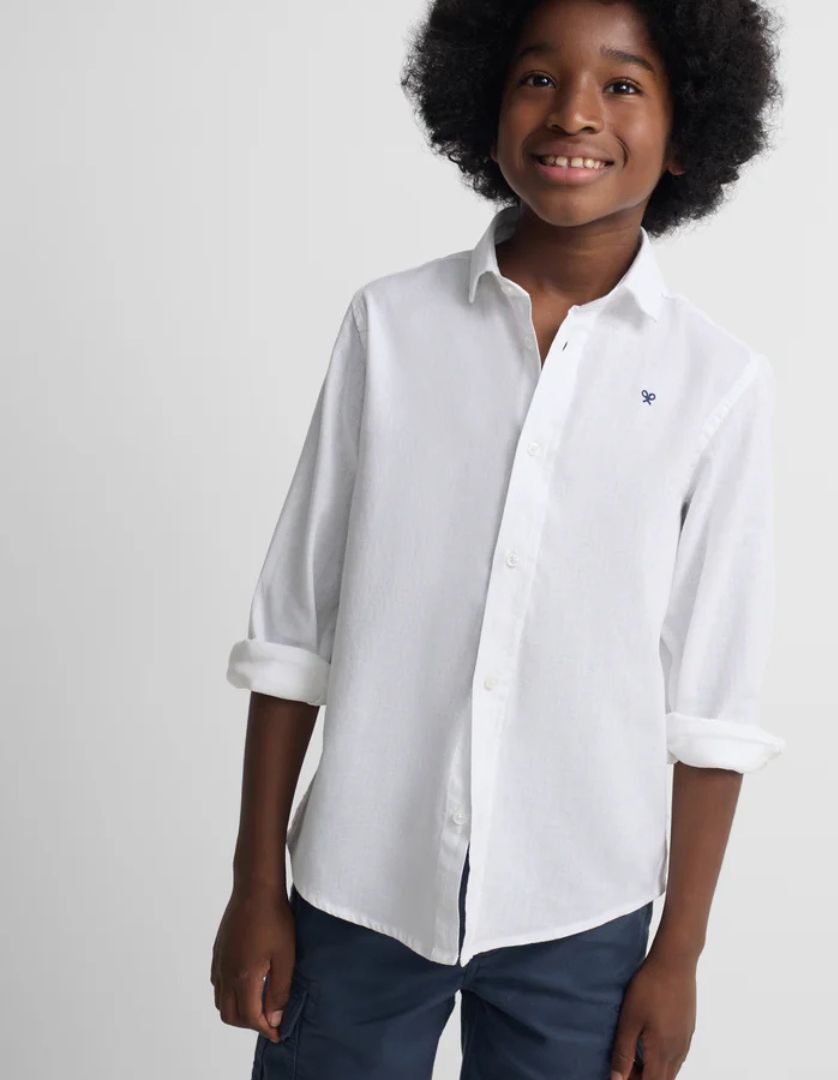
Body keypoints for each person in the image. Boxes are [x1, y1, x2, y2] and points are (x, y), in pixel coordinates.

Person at [210, 1, 784, 1077]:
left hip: (582, 914)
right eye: (537, 78)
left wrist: (679, 954)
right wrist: (255, 889)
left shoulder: (718, 384)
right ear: (483, 101)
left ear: (687, 129)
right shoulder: (391, 326)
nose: (575, 113)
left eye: (623, 85)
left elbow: (712, 703)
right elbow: (293, 634)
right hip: (358, 889)